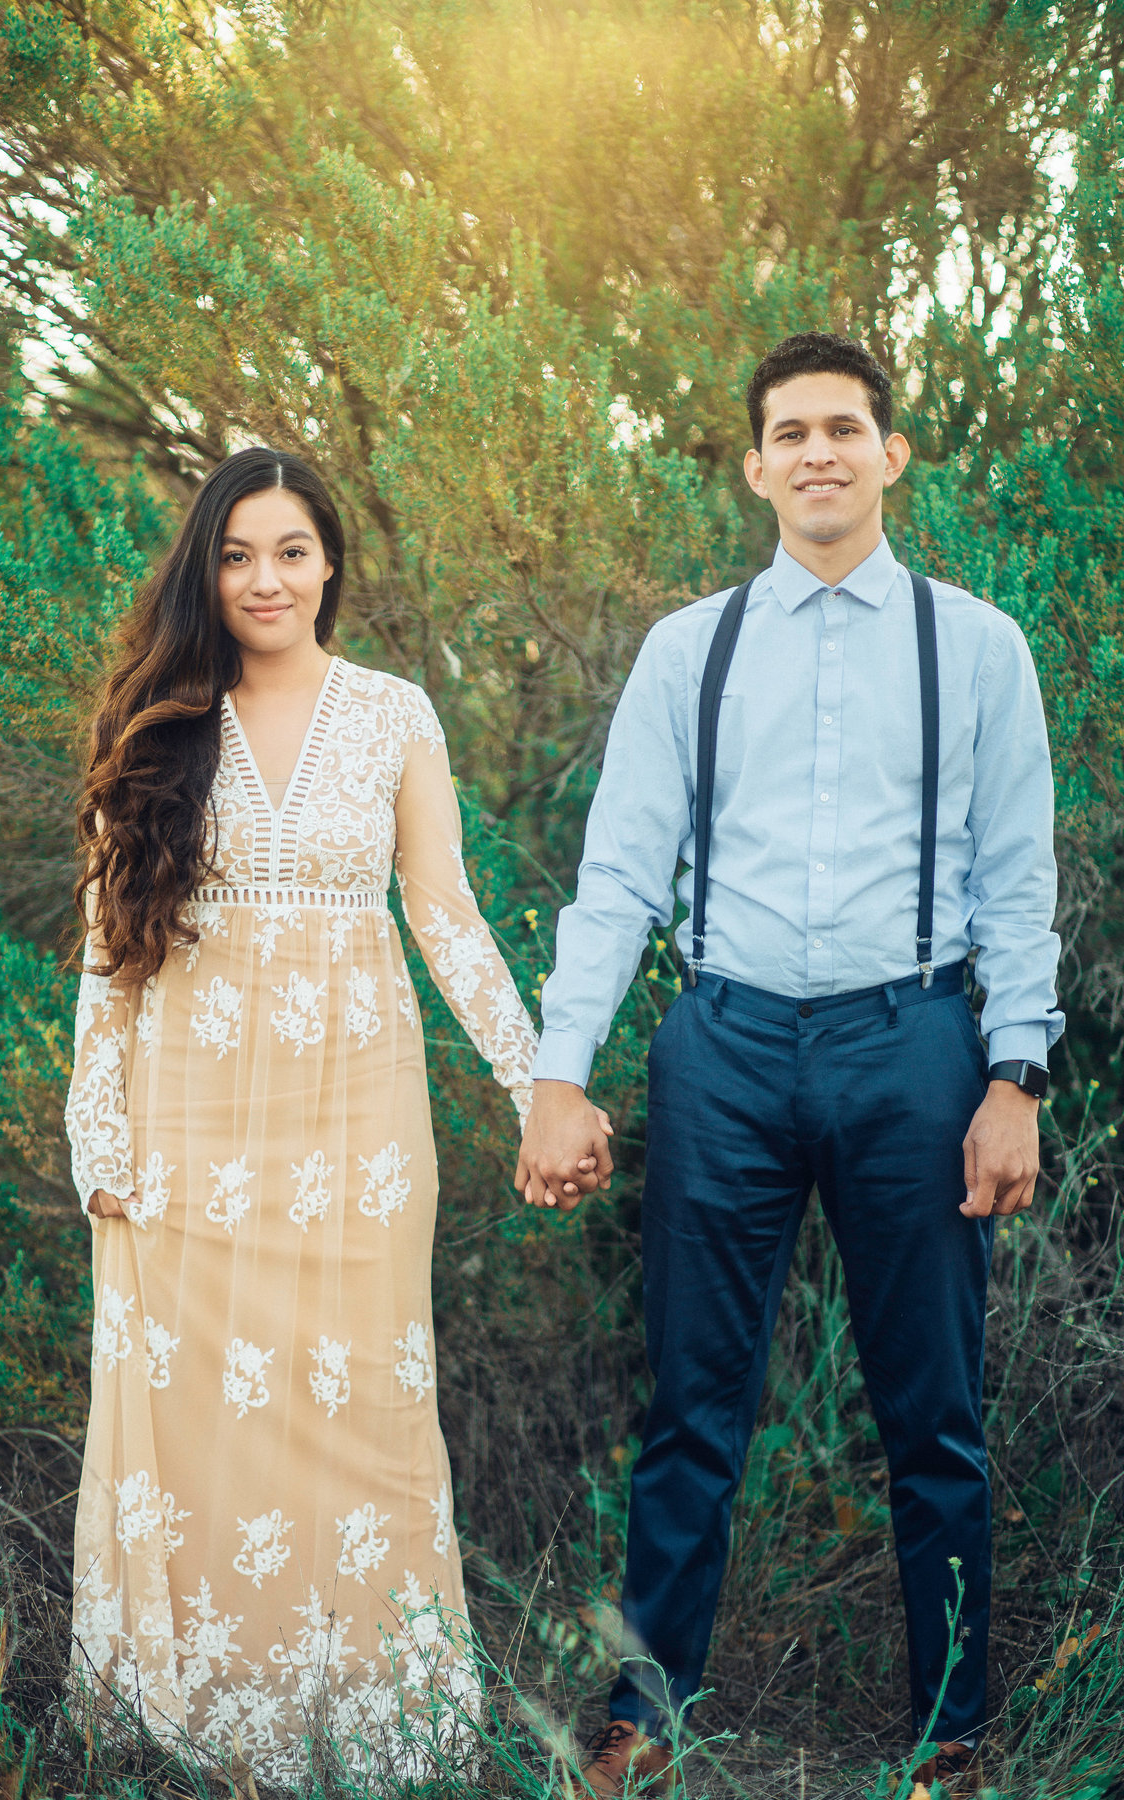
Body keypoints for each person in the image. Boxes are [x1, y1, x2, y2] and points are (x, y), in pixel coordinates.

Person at [515, 332, 1063, 1796]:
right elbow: (619, 875)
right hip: (728, 1046)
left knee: (932, 1412)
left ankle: (952, 1730)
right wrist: (558, 1072)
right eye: (790, 433)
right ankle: (644, 1709)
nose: (819, 452)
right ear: (755, 467)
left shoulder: (981, 646)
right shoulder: (690, 651)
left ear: (891, 455)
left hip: (917, 1048)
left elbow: (1018, 882)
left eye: (845, 427)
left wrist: (1015, 1077)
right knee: (692, 1401)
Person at [64, 448, 604, 1780]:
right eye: (238, 554)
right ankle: (197, 1723)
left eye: (291, 551)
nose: (265, 579)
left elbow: (444, 914)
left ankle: (371, 1725)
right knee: (202, 1418)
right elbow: (105, 949)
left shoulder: (393, 713)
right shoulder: (159, 722)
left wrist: (538, 1079)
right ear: (207, 570)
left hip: (357, 1125)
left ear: (329, 565)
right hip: (184, 1129)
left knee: (364, 1408)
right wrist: (99, 1134)